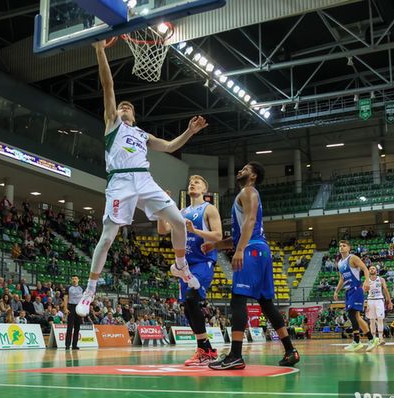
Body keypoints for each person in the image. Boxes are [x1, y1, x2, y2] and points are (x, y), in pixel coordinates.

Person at [77, 41, 209, 317]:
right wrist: (100, 50)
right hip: (120, 181)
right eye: (121, 106)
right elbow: (108, 86)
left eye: (129, 106)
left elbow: (170, 146)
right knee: (107, 237)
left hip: (144, 179)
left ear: (134, 116)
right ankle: (90, 290)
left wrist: (189, 132)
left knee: (178, 222)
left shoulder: (142, 135)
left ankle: (181, 267)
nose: (124, 106)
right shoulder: (112, 124)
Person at [201, 162, 299, 370]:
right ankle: (290, 350)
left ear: (253, 176)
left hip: (251, 249)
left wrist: (239, 250)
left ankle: (236, 355)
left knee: (238, 298)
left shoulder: (248, 191)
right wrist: (215, 245)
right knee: (266, 304)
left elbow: (251, 221)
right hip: (259, 249)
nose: (240, 171)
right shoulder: (246, 195)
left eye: (245, 169)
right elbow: (240, 234)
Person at [158, 175, 222, 366]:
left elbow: (218, 235)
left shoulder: (209, 209)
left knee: (192, 298)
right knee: (187, 307)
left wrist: (195, 231)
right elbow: (163, 230)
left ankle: (205, 350)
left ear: (204, 190)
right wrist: (161, 207)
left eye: (197, 182)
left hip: (203, 262)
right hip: (185, 264)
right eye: (191, 182)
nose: (193, 184)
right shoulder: (182, 212)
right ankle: (206, 349)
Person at [333, 240, 376, 352]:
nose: (341, 247)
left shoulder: (353, 258)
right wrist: (336, 291)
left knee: (351, 314)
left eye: (344, 246)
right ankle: (371, 339)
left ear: (349, 248)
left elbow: (365, 268)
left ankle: (357, 341)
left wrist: (367, 282)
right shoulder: (340, 263)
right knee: (357, 317)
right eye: (340, 246)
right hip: (348, 291)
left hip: (356, 288)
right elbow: (342, 279)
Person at [363, 266, 393, 348]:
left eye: (373, 268)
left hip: (379, 300)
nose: (371, 270)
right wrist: (364, 303)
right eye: (370, 269)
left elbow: (386, 290)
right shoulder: (366, 280)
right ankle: (373, 338)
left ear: (376, 270)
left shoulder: (381, 279)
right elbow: (363, 292)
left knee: (380, 318)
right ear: (368, 271)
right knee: (372, 320)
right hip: (370, 300)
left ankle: (381, 338)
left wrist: (389, 302)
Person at [64, 276, 83, 350]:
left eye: (75, 279)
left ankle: (74, 345)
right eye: (73, 279)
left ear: (78, 280)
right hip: (71, 307)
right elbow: (65, 298)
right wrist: (65, 308)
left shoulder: (82, 288)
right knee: (70, 327)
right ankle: (67, 345)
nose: (74, 280)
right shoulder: (68, 288)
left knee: (77, 327)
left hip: (79, 308)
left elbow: (84, 298)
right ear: (71, 280)